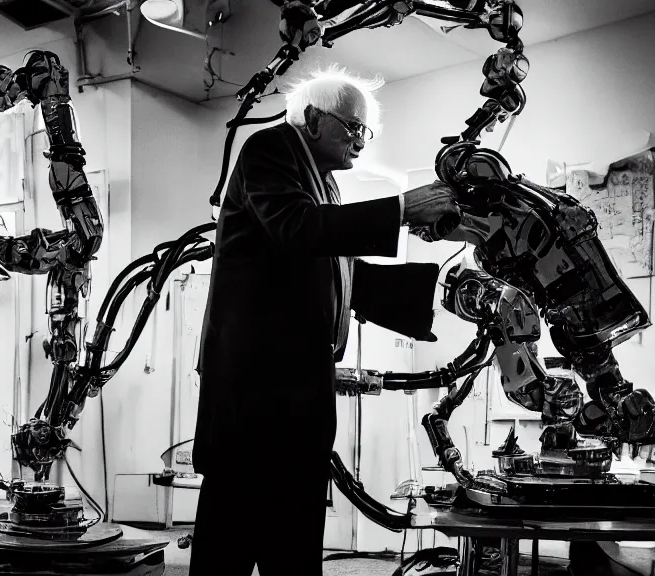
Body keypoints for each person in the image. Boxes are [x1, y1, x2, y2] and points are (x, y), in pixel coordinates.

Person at [190, 66, 461, 575]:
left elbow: (339, 270)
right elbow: (298, 231)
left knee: (293, 537)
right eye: (353, 126)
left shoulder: (325, 183)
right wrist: (401, 208)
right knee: (230, 536)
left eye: (365, 131)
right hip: (255, 390)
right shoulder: (268, 150)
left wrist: (450, 289)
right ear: (313, 118)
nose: (361, 139)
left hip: (297, 388)